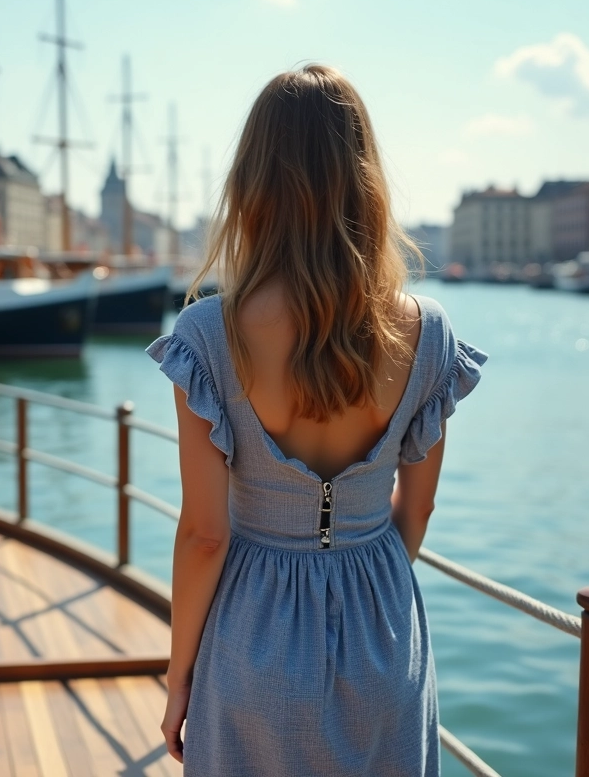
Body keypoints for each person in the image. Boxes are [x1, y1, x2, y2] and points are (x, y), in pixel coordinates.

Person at [146, 64, 486, 775]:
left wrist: (180, 677)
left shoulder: (211, 335)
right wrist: (360, 577)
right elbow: (416, 513)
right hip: (385, 633)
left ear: (252, 181)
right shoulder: (427, 336)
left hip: (251, 639)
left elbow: (206, 536)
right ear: (365, 180)